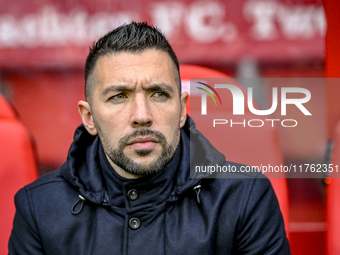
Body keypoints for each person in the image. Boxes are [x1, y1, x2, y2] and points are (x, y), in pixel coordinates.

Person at [9, 22, 291, 254]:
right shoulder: (39, 209)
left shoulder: (244, 197)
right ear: (89, 117)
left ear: (181, 110)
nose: (142, 115)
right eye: (119, 97)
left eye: (159, 94)